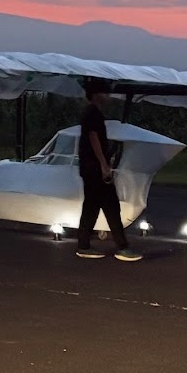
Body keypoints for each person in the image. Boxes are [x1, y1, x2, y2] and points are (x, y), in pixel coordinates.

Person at [74, 79, 142, 261]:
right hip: (95, 168)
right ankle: (122, 247)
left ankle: (84, 245)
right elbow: (93, 137)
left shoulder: (91, 112)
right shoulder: (93, 113)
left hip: (89, 167)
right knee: (110, 206)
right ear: (97, 94)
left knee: (92, 206)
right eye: (105, 93)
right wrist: (104, 164)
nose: (108, 96)